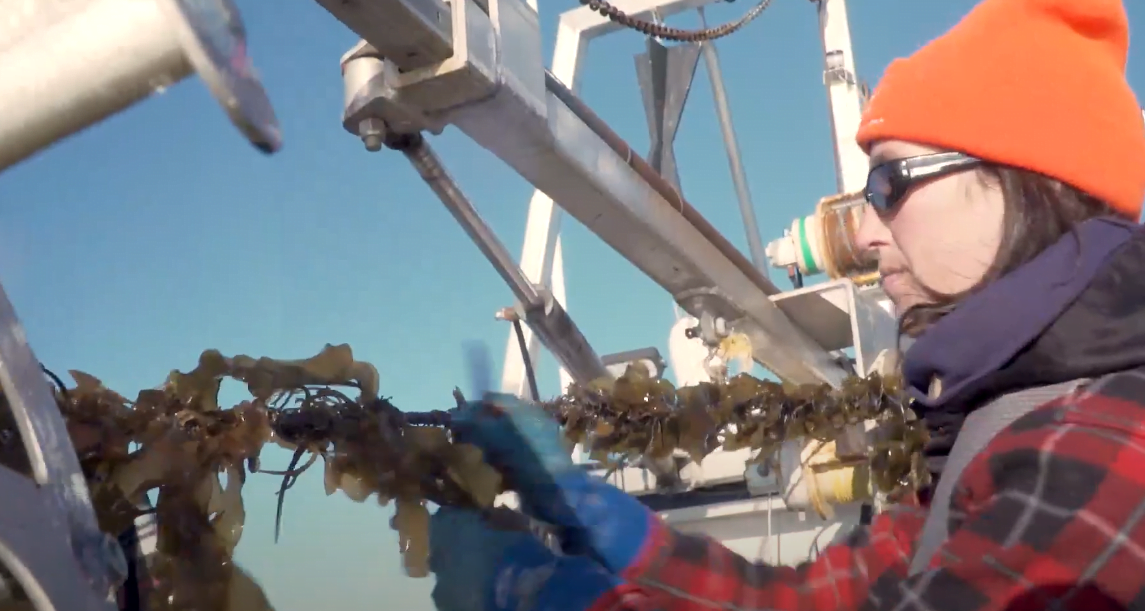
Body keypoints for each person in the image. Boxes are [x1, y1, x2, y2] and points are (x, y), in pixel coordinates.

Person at [427, 0, 1145, 609]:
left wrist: (538, 594)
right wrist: (605, 519)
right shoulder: (996, 423)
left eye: (889, 183)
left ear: (1022, 177)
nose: (862, 233)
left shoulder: (1103, 448)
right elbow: (830, 595)